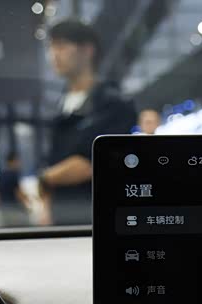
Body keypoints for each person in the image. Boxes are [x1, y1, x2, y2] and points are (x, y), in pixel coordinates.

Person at [37, 19, 136, 225]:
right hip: (61, 217)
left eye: (61, 46)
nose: (54, 54)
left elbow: (90, 164)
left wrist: (44, 179)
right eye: (51, 47)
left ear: (87, 50)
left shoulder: (113, 102)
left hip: (95, 217)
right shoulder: (60, 104)